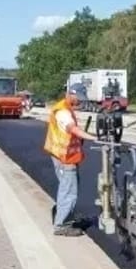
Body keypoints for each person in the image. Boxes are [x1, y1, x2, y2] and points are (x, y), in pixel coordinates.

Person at [43, 83, 98, 236]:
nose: (80, 101)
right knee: (69, 191)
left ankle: (61, 215)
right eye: (78, 98)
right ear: (71, 94)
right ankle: (62, 225)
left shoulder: (65, 108)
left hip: (65, 156)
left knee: (66, 188)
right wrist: (93, 138)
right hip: (65, 158)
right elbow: (72, 129)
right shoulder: (63, 112)